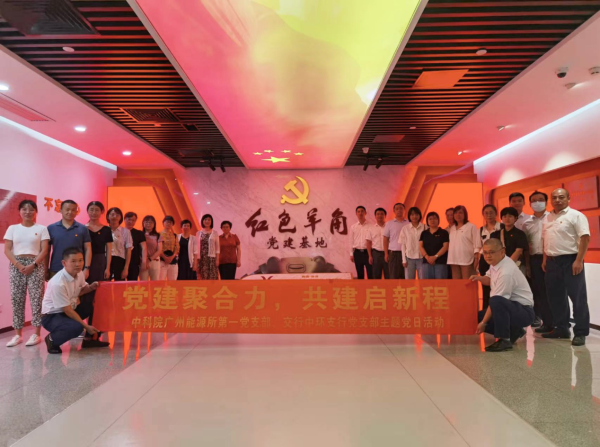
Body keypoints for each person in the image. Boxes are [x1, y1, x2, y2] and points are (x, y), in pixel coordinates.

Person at [542, 188, 590, 346]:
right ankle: (561, 328)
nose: (557, 200)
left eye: (561, 197)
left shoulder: (576, 215)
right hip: (551, 261)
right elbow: (545, 239)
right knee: (555, 297)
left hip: (571, 260)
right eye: (554, 197)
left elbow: (585, 238)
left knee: (578, 298)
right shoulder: (547, 218)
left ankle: (581, 332)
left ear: (568, 198)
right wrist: (545, 259)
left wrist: (579, 260)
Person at [41, 247, 109, 353]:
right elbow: (67, 310)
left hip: (68, 309)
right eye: (73, 261)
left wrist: (91, 287)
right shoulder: (58, 283)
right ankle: (52, 339)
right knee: (77, 327)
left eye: (80, 260)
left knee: (92, 307)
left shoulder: (79, 273)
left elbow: (80, 291)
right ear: (64, 263)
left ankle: (90, 339)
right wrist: (86, 326)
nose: (78, 264)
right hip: (52, 316)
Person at [471, 238, 535, 352]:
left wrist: (483, 323)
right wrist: (479, 278)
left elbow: (497, 301)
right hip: (511, 307)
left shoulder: (506, 271)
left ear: (502, 251)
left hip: (524, 311)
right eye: (485, 253)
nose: (488, 256)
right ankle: (514, 330)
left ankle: (504, 339)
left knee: (495, 302)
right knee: (476, 317)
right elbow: (489, 279)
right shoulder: (496, 263)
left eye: (491, 252)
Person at [3, 200, 49, 347]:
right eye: (24, 209)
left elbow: (44, 250)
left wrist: (33, 264)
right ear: (19, 211)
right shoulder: (12, 228)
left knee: (37, 299)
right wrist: (18, 265)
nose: (28, 212)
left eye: (31, 209)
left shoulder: (42, 229)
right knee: (17, 299)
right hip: (16, 265)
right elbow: (7, 250)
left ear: (35, 212)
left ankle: (36, 334)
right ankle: (18, 335)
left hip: (36, 264)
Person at [522, 191, 553, 333]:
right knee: (539, 292)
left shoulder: (552, 218)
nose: (537, 202)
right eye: (534, 200)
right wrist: (528, 265)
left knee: (554, 291)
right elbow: (526, 247)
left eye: (540, 199)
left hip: (552, 258)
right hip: (535, 259)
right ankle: (546, 322)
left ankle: (559, 323)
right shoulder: (527, 223)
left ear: (546, 202)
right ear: (530, 204)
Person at [81, 201, 112, 339]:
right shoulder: (82, 228)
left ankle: (97, 325)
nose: (94, 212)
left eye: (97, 210)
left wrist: (108, 267)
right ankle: (86, 326)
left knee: (99, 296)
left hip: (100, 263)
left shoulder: (106, 229)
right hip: (85, 263)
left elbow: (109, 250)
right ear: (87, 211)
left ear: (102, 212)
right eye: (91, 209)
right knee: (85, 295)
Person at [46, 200, 92, 280]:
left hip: (77, 269)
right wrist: (45, 268)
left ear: (76, 212)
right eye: (67, 209)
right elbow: (47, 251)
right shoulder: (51, 228)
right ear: (60, 210)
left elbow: (88, 249)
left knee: (77, 288)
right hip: (56, 269)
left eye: (73, 210)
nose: (70, 212)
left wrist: (86, 268)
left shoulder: (83, 228)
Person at [490, 207, 528, 275]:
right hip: (498, 266)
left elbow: (519, 251)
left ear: (515, 218)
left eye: (510, 216)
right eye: (504, 216)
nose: (507, 219)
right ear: (501, 218)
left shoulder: (520, 234)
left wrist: (507, 265)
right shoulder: (495, 234)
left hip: (516, 265)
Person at [447, 205, 481, 279]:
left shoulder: (471, 226)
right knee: (456, 283)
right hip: (453, 259)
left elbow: (476, 243)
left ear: (465, 214)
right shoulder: (452, 228)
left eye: (460, 213)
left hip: (467, 259)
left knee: (467, 282)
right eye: (456, 213)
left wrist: (476, 258)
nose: (458, 215)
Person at [478, 205, 501, 310]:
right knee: (485, 288)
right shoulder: (480, 230)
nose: (489, 215)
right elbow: (478, 247)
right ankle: (485, 312)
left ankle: (498, 311)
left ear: (496, 213)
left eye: (491, 212)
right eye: (486, 213)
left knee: (499, 286)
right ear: (483, 215)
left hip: (498, 260)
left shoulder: (501, 227)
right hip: (484, 260)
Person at [419, 212, 449, 279]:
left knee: (440, 284)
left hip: (440, 262)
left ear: (438, 220)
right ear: (427, 221)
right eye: (430, 219)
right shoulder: (424, 233)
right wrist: (427, 257)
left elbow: (445, 246)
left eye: (435, 218)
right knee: (426, 284)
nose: (432, 220)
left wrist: (435, 257)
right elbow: (421, 246)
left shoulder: (444, 232)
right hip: (426, 262)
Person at [106, 207, 132, 281]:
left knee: (120, 284)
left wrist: (126, 268)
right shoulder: (104, 230)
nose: (114, 217)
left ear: (121, 217)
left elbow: (128, 250)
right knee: (106, 283)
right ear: (108, 216)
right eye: (112, 214)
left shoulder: (126, 231)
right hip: (106, 260)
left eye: (117, 215)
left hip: (120, 261)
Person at [383, 203, 408, 279]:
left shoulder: (409, 223)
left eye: (401, 208)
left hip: (407, 253)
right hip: (394, 253)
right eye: (397, 209)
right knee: (393, 277)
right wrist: (386, 253)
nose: (399, 210)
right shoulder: (389, 223)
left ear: (404, 210)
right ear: (394, 211)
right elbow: (385, 239)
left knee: (405, 277)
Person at [399, 206, 425, 279]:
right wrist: (404, 260)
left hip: (422, 258)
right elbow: (403, 245)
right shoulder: (405, 228)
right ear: (409, 216)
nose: (414, 216)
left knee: (423, 280)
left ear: (419, 215)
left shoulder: (425, 227)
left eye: (416, 214)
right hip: (409, 258)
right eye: (412, 214)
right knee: (409, 281)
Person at [350, 206, 373, 279]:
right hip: (357, 253)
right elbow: (351, 241)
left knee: (370, 274)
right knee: (360, 275)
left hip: (368, 253)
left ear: (365, 213)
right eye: (358, 211)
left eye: (362, 211)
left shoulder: (371, 226)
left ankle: (371, 286)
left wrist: (371, 255)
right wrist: (351, 254)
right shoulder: (353, 227)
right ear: (356, 213)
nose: (360, 213)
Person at [366, 208, 389, 279]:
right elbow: (368, 242)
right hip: (376, 254)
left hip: (388, 253)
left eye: (382, 214)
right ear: (375, 216)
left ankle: (389, 286)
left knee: (389, 274)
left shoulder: (389, 227)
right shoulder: (371, 228)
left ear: (385, 216)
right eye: (378, 214)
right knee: (376, 275)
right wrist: (370, 256)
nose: (380, 215)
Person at [124, 212, 147, 281]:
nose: (131, 222)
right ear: (124, 219)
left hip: (134, 262)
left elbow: (144, 248)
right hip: (121, 261)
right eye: (129, 219)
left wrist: (144, 262)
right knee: (120, 282)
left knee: (132, 283)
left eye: (133, 220)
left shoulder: (139, 233)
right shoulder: (120, 231)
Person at [196, 214, 219, 280]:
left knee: (212, 276)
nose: (207, 221)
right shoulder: (198, 233)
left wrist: (217, 259)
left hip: (212, 258)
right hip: (202, 258)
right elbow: (196, 247)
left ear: (211, 221)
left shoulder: (215, 233)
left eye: (209, 220)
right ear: (202, 221)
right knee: (202, 276)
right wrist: (196, 260)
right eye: (205, 219)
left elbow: (217, 248)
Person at [158, 215, 179, 280]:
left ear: (172, 224)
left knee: (173, 282)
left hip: (172, 261)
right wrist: (165, 258)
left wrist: (171, 257)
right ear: (163, 223)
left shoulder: (175, 235)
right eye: (167, 222)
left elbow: (177, 248)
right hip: (162, 260)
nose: (168, 223)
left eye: (170, 222)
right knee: (160, 281)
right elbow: (158, 248)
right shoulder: (158, 234)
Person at [140, 215, 161, 281]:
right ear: (143, 223)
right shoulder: (139, 234)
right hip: (142, 262)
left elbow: (159, 250)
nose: (148, 224)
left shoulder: (158, 235)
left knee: (155, 283)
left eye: (151, 222)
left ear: (154, 224)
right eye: (146, 222)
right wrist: (144, 260)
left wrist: (149, 259)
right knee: (143, 282)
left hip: (154, 261)